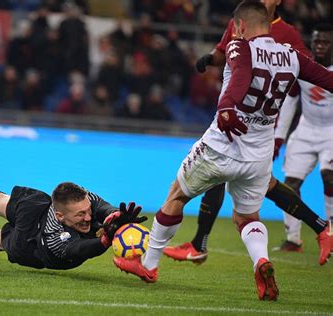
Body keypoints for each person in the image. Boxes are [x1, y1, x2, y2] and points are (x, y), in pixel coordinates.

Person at [113, 1, 333, 301]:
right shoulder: (293, 56)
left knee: (177, 194)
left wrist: (227, 107)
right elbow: (328, 79)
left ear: (240, 26)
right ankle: (261, 261)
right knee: (247, 217)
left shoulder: (240, 47)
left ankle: (149, 265)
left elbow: (240, 76)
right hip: (258, 155)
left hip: (222, 144)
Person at [165, 0, 332, 264]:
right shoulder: (240, 20)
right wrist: (209, 60)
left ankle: (318, 228)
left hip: (253, 126)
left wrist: (230, 107)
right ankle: (201, 244)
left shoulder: (286, 33)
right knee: (243, 182)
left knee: (242, 182)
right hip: (234, 118)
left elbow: (307, 66)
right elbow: (223, 53)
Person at [0, 172, 146, 270]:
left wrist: (114, 215)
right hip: (30, 244)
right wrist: (104, 241)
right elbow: (79, 249)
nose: (88, 217)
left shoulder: (85, 198)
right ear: (60, 216)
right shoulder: (56, 237)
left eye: (87, 211)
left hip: (34, 212)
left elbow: (102, 207)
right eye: (80, 215)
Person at [273, 24, 333, 252]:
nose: (319, 45)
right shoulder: (303, 65)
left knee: (329, 177)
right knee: (290, 184)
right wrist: (279, 137)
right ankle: (293, 239)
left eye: (325, 42)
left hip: (331, 130)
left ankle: (331, 231)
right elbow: (291, 99)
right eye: (316, 41)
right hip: (305, 129)